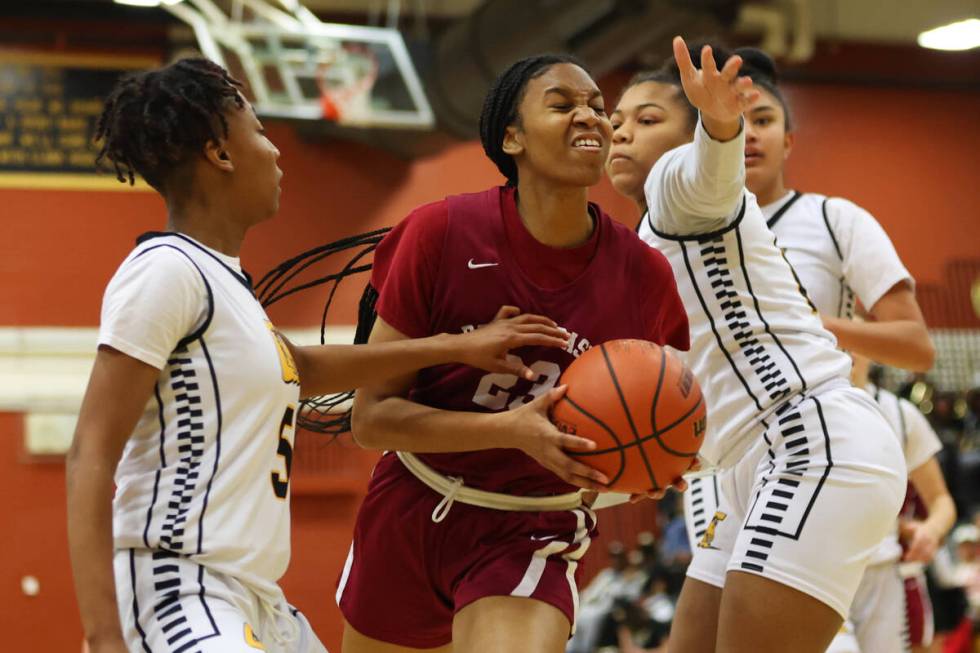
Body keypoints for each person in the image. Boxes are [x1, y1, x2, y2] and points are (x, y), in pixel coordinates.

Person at [66, 58, 570, 653]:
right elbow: (90, 451)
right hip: (176, 585)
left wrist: (459, 347)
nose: (276, 152)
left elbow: (298, 367)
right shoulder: (165, 272)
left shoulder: (225, 284)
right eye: (259, 131)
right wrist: (103, 636)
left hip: (253, 595)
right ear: (219, 154)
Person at [338, 54, 691, 653]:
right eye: (562, 104)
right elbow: (371, 420)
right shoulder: (441, 233)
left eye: (597, 107)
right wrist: (511, 430)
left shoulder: (643, 275)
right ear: (511, 137)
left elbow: (655, 419)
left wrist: (651, 460)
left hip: (534, 526)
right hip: (413, 504)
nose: (590, 116)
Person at [607, 36, 905, 651]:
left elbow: (709, 173)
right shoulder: (635, 243)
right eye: (617, 121)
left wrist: (719, 127)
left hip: (809, 443)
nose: (621, 132)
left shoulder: (677, 188)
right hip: (743, 464)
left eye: (647, 119)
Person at [826, 352, 956, 653]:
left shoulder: (900, 413)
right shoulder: (799, 408)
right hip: (823, 569)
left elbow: (941, 501)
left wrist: (931, 531)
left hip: (888, 573)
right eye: (835, 342)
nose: (845, 351)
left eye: (854, 342)